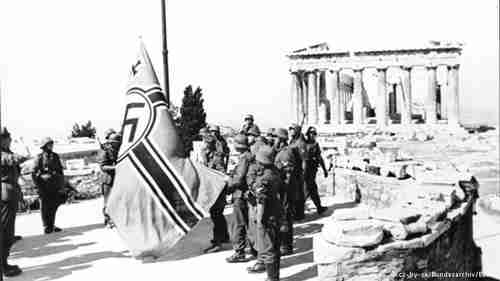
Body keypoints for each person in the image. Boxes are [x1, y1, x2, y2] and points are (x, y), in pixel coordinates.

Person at [246, 146, 282, 281]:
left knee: (267, 249)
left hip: (266, 215)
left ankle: (272, 279)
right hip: (277, 211)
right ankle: (275, 277)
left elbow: (260, 200)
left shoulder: (264, 179)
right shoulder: (276, 172)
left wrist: (260, 221)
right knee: (275, 247)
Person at [225, 134, 255, 263]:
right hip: (246, 194)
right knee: (248, 223)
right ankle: (254, 249)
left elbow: (239, 178)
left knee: (238, 224)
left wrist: (228, 187)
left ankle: (239, 252)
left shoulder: (244, 158)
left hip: (240, 194)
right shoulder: (249, 155)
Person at [1, 127, 26, 277]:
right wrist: (25, 153)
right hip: (5, 194)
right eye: (6, 137)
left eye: (9, 137)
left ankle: (3, 263)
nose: (9, 139)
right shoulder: (4, 155)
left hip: (11, 192)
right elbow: (13, 160)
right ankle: (3, 266)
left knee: (8, 232)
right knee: (5, 232)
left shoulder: (7, 152)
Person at [273, 128, 302, 256]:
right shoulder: (281, 152)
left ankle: (286, 246)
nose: (273, 140)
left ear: (280, 139)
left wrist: (282, 194)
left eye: (275, 138)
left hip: (285, 191)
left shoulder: (285, 154)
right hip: (283, 190)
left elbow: (288, 177)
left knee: (285, 218)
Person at [201, 129, 230, 253]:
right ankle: (224, 236)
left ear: (210, 145)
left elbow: (221, 174)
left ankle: (217, 241)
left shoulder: (216, 158)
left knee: (216, 214)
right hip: (216, 188)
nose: (204, 145)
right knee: (218, 214)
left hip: (218, 190)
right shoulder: (211, 156)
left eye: (205, 143)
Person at [32, 137, 65, 234]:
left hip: (54, 184)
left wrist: (61, 184)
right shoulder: (39, 157)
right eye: (49, 144)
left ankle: (52, 224)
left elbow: (60, 171)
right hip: (43, 186)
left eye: (51, 144)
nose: (51, 146)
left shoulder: (55, 156)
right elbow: (33, 173)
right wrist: (37, 186)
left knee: (53, 205)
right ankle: (46, 226)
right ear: (44, 146)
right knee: (45, 207)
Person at [98, 132, 122, 227]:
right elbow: (103, 166)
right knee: (108, 201)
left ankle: (116, 219)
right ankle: (108, 219)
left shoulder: (118, 150)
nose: (117, 144)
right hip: (108, 179)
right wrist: (117, 167)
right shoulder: (105, 151)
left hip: (117, 179)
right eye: (116, 142)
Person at [303, 127, 328, 215]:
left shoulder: (315, 144)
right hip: (305, 171)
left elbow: (319, 158)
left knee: (312, 189)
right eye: (311, 133)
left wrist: (325, 169)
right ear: (308, 134)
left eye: (314, 133)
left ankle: (319, 207)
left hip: (312, 171)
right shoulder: (303, 144)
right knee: (307, 190)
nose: (312, 135)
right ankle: (299, 211)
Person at [287, 124, 308, 220]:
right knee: (294, 193)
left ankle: (299, 214)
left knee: (299, 193)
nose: (291, 131)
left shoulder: (301, 143)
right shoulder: (292, 141)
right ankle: (295, 212)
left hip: (298, 171)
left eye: (292, 129)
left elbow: (304, 159)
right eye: (290, 129)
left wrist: (303, 173)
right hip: (293, 170)